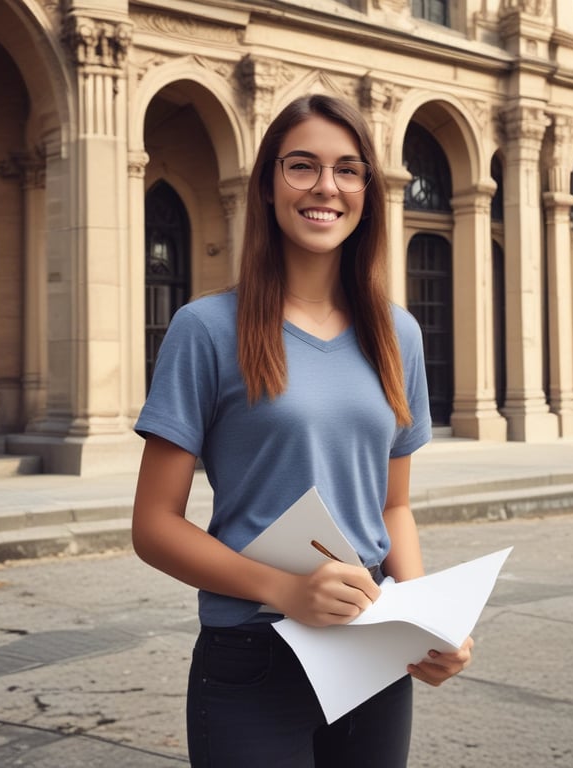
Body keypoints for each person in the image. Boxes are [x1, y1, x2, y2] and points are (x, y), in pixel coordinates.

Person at [132, 93, 473, 768]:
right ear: (266, 184)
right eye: (302, 166)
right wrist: (285, 590)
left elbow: (392, 505)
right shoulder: (205, 330)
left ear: (368, 192)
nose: (326, 187)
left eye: (349, 170)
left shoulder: (398, 334)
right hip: (251, 658)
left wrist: (425, 621)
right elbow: (153, 526)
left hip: (369, 653)